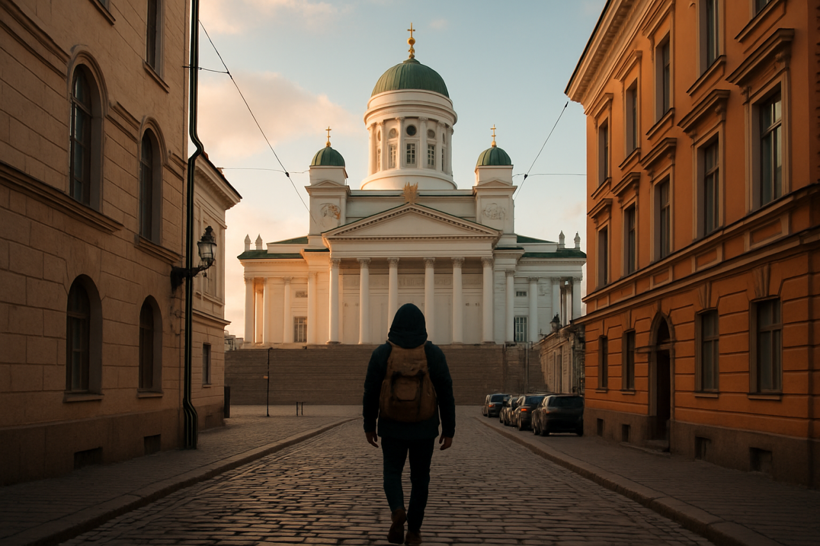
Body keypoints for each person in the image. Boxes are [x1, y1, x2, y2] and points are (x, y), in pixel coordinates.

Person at [363, 303, 456, 545]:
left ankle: (397, 509)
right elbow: (446, 392)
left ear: (394, 326)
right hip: (424, 427)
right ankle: (414, 530)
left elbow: (370, 392)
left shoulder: (382, 354)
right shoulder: (433, 354)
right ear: (422, 327)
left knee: (392, 472)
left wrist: (368, 425)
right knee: (420, 479)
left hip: (391, 425)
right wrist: (448, 430)